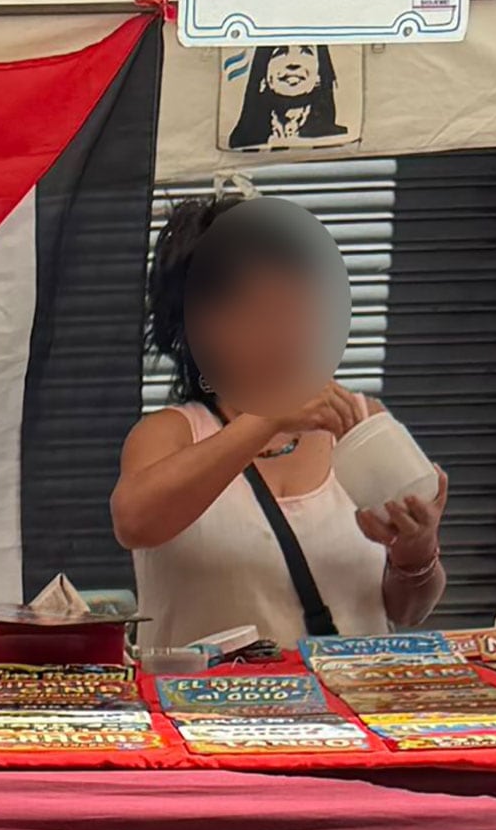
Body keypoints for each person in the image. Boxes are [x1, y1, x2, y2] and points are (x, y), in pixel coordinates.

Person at [111, 195, 447, 649]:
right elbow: (135, 522)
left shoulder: (364, 422)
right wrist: (264, 420)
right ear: (198, 329)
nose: (285, 332)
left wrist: (416, 551)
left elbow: (408, 609)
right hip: (201, 713)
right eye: (257, 312)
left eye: (298, 306)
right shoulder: (172, 432)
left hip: (345, 710)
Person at [227, 45, 349, 151]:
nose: (293, 64)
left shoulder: (338, 138)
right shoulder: (245, 141)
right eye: (279, 52)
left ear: (319, 76)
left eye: (306, 51)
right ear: (263, 76)